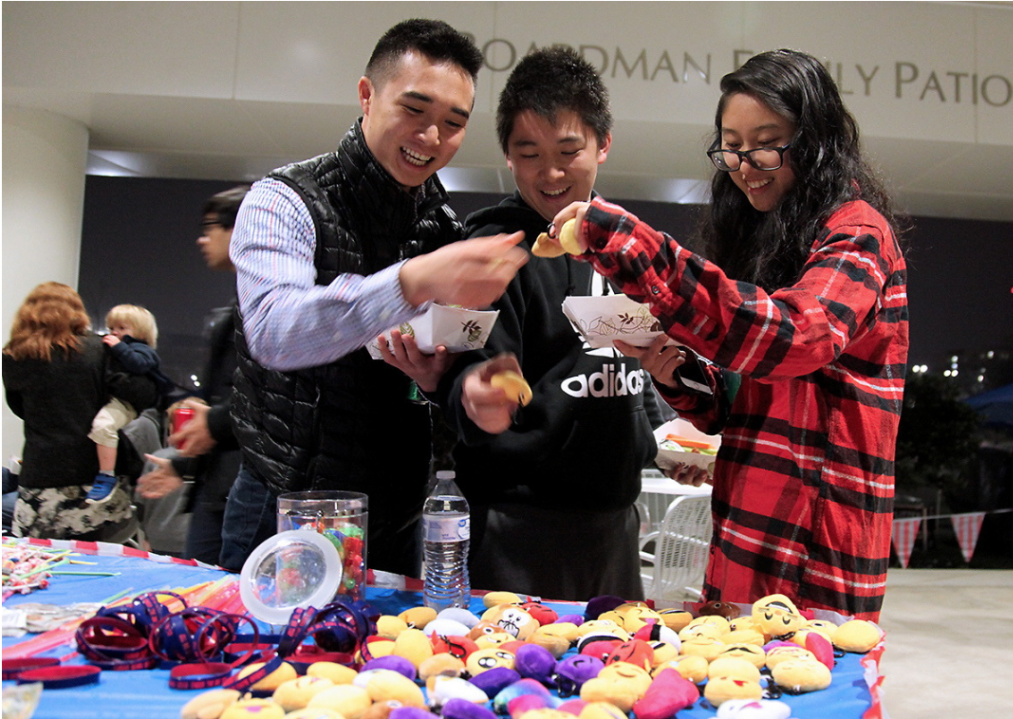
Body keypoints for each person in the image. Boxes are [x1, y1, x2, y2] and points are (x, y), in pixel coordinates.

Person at [550, 49, 909, 621]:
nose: (745, 163)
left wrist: (626, 240)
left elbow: (794, 338)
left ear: (816, 140)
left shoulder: (859, 233)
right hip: (746, 536)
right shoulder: (772, 238)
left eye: (766, 142)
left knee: (811, 701)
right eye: (732, 146)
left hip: (819, 555)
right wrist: (684, 374)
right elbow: (752, 398)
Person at [223, 19, 527, 575]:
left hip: (399, 512)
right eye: (415, 110)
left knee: (393, 661)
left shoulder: (442, 224)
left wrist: (450, 383)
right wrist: (412, 281)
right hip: (288, 505)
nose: (432, 138)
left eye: (453, 123)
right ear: (367, 95)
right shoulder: (284, 199)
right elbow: (273, 330)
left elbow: (436, 376)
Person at [384, 47, 664, 601]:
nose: (551, 172)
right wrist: (476, 394)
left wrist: (659, 438)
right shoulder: (492, 249)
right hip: (517, 529)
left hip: (615, 524)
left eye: (568, 150)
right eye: (528, 152)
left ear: (603, 145)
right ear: (508, 158)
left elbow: (628, 368)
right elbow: (468, 362)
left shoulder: (630, 246)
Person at [135, 185, 249, 563]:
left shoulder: (259, 307)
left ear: (238, 230)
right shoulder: (241, 304)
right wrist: (184, 464)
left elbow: (265, 400)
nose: (203, 238)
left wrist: (211, 422)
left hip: (240, 492)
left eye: (210, 226)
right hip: (223, 487)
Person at [3, 282, 159, 540]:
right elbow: (142, 393)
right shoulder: (98, 349)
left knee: (42, 565)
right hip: (96, 475)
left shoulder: (13, 356)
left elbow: (19, 408)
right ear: (76, 312)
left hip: (40, 475)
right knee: (110, 563)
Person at [85, 304, 178, 505]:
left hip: (125, 403)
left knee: (104, 426)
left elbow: (140, 364)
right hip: (112, 400)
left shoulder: (142, 351)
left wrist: (119, 348)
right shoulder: (113, 350)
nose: (115, 333)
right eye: (111, 328)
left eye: (122, 328)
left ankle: (106, 475)